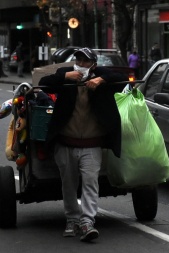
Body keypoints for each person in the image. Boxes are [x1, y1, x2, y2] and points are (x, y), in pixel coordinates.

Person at [38, 47, 127, 242]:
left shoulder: (101, 76)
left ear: (93, 65)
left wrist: (101, 80)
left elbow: (121, 78)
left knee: (90, 183)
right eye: (78, 61)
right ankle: (72, 219)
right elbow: (43, 84)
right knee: (69, 184)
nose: (81, 64)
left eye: (86, 61)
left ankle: (87, 222)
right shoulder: (65, 76)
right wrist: (65, 77)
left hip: (91, 145)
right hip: (65, 143)